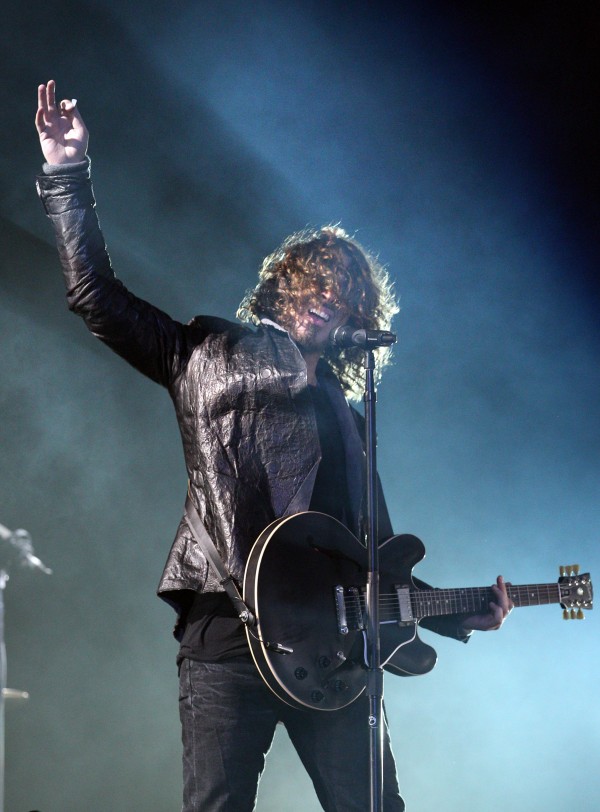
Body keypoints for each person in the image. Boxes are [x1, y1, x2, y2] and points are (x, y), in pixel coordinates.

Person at [35, 80, 512, 812]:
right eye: (314, 281)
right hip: (232, 631)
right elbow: (97, 298)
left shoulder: (353, 418)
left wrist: (456, 612)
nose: (328, 294)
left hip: (332, 657)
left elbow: (375, 555)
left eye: (345, 289)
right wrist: (68, 173)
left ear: (361, 314)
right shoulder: (205, 350)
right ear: (282, 290)